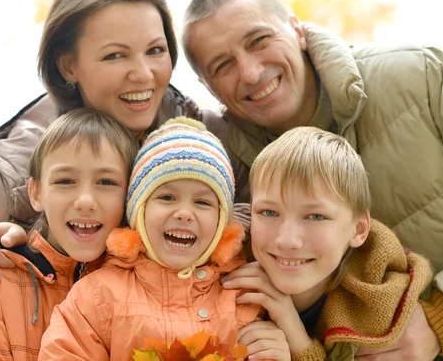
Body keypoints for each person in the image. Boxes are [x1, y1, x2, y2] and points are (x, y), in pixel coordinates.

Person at [0, 0, 224, 360]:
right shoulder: (20, 167)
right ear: (69, 66)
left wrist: (234, 225)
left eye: (155, 50)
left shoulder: (201, 136)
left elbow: (280, 202)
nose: (144, 73)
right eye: (115, 55)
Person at [181, 0, 443, 360]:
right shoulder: (228, 171)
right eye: (223, 65)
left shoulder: (419, 78)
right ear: (209, 87)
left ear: (297, 29)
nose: (251, 72)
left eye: (258, 40)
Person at [38, 117, 273, 361]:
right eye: (167, 198)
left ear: (222, 221)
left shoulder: (245, 296)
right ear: (139, 213)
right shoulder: (97, 296)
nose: (184, 213)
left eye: (202, 202)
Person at [223, 126, 435, 359]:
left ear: (359, 229)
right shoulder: (220, 274)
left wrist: (298, 343)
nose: (287, 240)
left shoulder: (384, 305)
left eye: (316, 216)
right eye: (269, 212)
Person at [0, 108, 137, 360]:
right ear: (36, 193)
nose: (85, 201)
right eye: (65, 181)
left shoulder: (144, 280)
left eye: (106, 182)